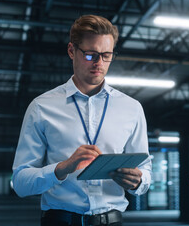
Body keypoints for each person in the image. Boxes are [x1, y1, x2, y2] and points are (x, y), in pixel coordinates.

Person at [12, 15, 152, 226]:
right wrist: (62, 168)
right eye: (90, 55)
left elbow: (145, 171)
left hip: (112, 221)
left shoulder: (131, 108)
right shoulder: (42, 107)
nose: (99, 63)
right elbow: (20, 183)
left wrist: (138, 180)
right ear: (71, 51)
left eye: (106, 55)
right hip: (60, 221)